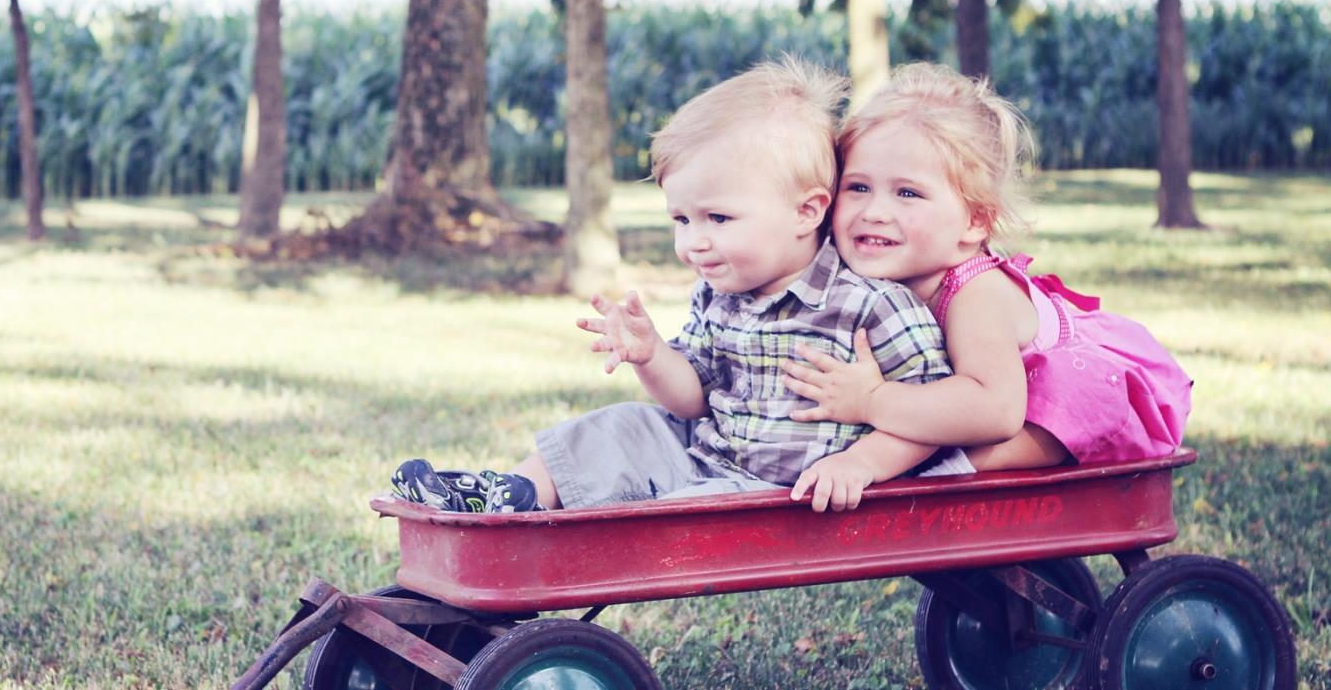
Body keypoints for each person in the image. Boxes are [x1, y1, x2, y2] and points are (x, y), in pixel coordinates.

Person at [389, 57, 965, 515]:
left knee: (676, 516)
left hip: (778, 496)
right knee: (622, 424)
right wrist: (652, 356)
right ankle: (508, 495)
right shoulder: (720, 292)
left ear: (805, 211)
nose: (694, 243)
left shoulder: (871, 305)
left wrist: (862, 463)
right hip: (705, 456)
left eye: (717, 219)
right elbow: (691, 397)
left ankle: (565, 533)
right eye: (681, 220)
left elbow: (934, 419)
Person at [784, 62, 1193, 470]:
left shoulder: (975, 296)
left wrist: (872, 402)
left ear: (975, 221)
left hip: (1076, 400)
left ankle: (950, 470)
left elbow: (995, 410)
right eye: (858, 187)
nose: (874, 211)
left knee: (997, 432)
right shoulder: (876, 272)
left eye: (907, 193)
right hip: (995, 395)